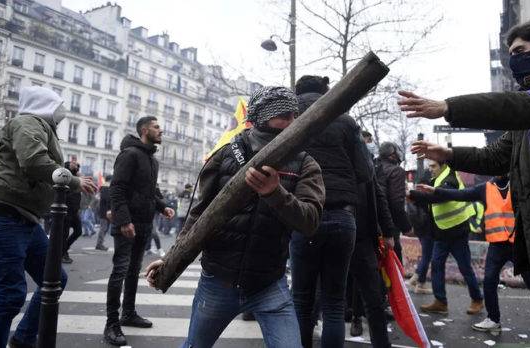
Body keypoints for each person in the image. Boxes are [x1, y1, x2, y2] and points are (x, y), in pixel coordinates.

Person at [398, 16, 530, 346]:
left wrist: (448, 107)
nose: (514, 59)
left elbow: (529, 108)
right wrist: (449, 153)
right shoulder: (529, 106)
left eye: (520, 50)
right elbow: (495, 157)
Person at [145, 86, 325, 348]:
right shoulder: (226, 154)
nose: (291, 122)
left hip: (269, 286)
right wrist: (169, 259)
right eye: (283, 115)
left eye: (294, 115)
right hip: (217, 282)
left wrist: (275, 193)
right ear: (262, 116)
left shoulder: (305, 163)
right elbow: (199, 215)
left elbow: (310, 222)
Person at [0, 86, 96, 348]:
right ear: (44, 105)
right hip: (5, 214)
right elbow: (33, 161)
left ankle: (23, 340)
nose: (61, 114)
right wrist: (73, 180)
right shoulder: (28, 122)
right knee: (9, 296)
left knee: (56, 279)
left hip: (24, 218)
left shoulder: (41, 128)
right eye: (57, 108)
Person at [290, 75, 372, 348]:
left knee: (301, 301)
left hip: (302, 216)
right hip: (342, 215)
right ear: (325, 91)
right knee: (334, 304)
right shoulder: (346, 121)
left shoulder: (290, 119)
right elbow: (365, 171)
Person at [414, 175, 530, 333]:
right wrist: (436, 191)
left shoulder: (519, 182)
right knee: (489, 281)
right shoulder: (486, 188)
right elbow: (461, 194)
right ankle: (493, 319)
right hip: (497, 245)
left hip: (518, 243)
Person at [103, 116, 175, 346]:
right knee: (120, 270)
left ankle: (128, 313)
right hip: (128, 223)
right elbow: (117, 189)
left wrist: (163, 207)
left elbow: (149, 191)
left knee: (133, 271)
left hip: (144, 223)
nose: (160, 130)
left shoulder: (151, 160)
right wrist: (124, 221)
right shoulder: (130, 155)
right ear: (144, 130)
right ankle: (111, 324)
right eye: (156, 127)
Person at [407, 160, 484, 315]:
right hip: (442, 234)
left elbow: (439, 197)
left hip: (457, 233)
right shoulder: (437, 180)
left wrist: (413, 195)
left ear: (443, 166)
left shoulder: (451, 178)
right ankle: (440, 302)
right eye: (429, 166)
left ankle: (477, 300)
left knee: (465, 268)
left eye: (433, 166)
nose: (430, 169)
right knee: (436, 265)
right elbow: (431, 204)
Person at [346, 135, 399, 346]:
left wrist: (387, 231)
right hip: (360, 234)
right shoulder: (362, 157)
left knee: (328, 297)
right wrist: (388, 232)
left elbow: (377, 195)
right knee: (371, 294)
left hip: (356, 233)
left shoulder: (364, 160)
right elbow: (379, 196)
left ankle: (357, 319)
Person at [375, 142, 412, 262]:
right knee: (393, 266)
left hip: (371, 226)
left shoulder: (372, 168)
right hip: (389, 227)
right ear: (392, 155)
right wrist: (406, 227)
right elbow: (396, 204)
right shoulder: (396, 171)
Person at [405, 173, 434, 295]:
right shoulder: (425, 197)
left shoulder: (414, 196)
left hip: (420, 229)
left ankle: (418, 282)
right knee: (427, 255)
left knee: (426, 255)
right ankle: (417, 280)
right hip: (428, 229)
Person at [62, 160, 84, 264]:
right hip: (66, 210)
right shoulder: (65, 175)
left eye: (76, 164)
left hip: (74, 211)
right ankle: (62, 254)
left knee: (78, 231)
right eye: (73, 163)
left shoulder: (77, 176)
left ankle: (63, 250)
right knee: (64, 234)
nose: (75, 164)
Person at [95, 175, 112, 251]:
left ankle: (100, 243)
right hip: (105, 211)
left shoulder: (105, 187)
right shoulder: (106, 187)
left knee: (104, 228)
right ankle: (99, 244)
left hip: (104, 211)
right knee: (103, 228)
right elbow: (107, 199)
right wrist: (109, 210)